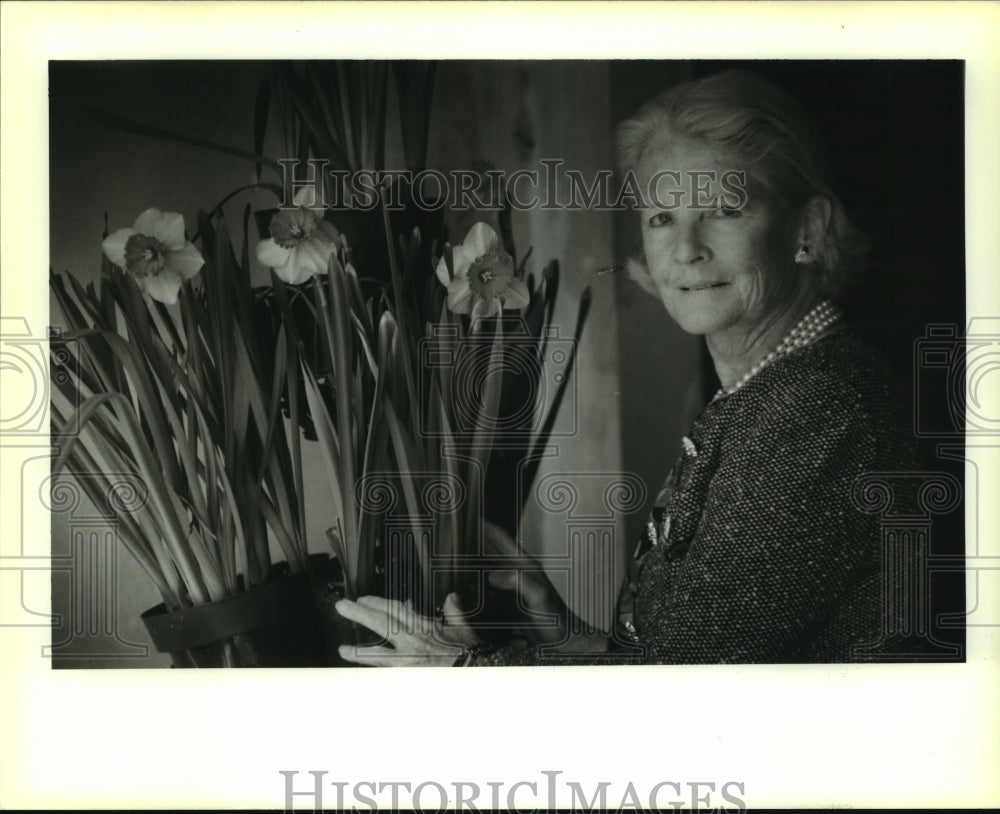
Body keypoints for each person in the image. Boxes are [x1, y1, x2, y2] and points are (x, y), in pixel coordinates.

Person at [335, 70, 917, 665]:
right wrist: (559, 627)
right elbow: (688, 654)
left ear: (807, 230)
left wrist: (462, 668)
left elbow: (677, 694)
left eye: (723, 209)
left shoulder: (818, 415)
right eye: (662, 217)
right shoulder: (771, 389)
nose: (686, 248)